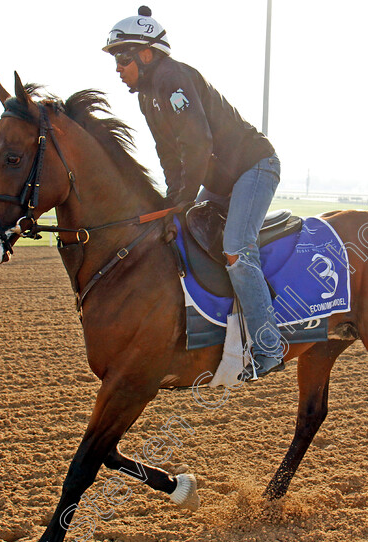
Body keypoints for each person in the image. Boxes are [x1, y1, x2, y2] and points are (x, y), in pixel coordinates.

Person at [103, 6, 285, 382]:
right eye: (116, 61)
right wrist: (174, 201)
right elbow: (169, 154)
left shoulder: (172, 78)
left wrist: (184, 196)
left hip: (255, 167)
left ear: (147, 54)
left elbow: (197, 143)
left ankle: (268, 347)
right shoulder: (146, 94)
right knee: (183, 234)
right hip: (220, 181)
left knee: (236, 248)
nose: (118, 68)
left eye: (123, 59)